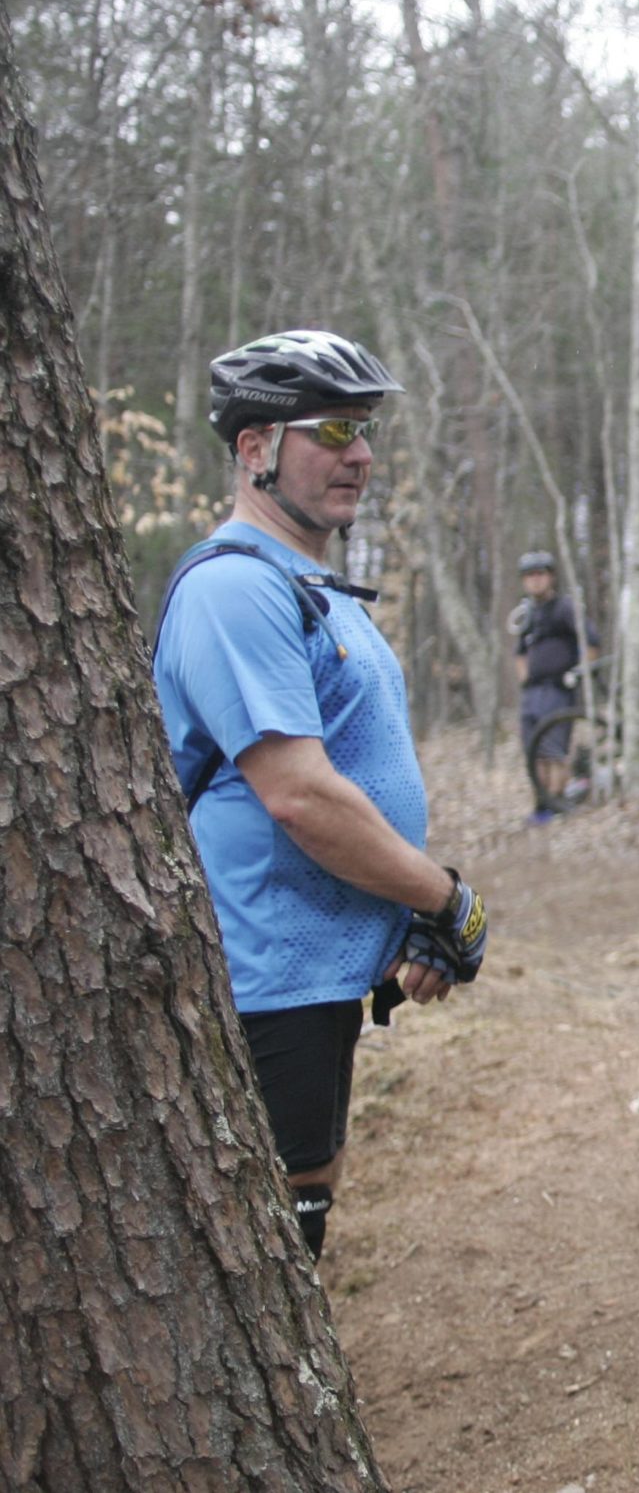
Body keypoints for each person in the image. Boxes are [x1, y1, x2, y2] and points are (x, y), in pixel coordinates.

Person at [153, 330, 488, 1263]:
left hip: (312, 968)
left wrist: (409, 912)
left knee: (302, 1208)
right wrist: (441, 897)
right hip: (263, 975)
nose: (362, 453)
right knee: (270, 1236)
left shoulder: (312, 585)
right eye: (334, 427)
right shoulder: (234, 591)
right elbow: (300, 796)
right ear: (255, 448)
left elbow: (350, 777)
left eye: (368, 430)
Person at [511, 548, 589, 825]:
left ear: (551, 577)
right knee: (534, 750)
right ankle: (541, 804)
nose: (535, 580)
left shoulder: (565, 608)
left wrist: (581, 673)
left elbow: (589, 640)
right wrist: (525, 678)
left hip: (559, 690)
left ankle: (557, 803)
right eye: (529, 575)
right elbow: (519, 651)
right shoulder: (527, 614)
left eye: (540, 574)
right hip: (533, 693)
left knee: (554, 749)